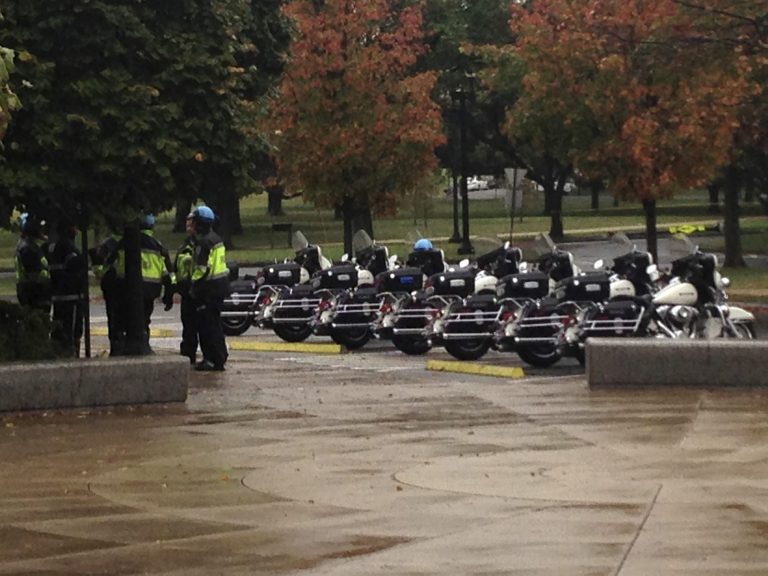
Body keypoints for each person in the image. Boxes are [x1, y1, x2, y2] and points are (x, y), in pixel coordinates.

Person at [190, 206, 229, 371]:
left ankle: (211, 359)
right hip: (220, 287)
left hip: (208, 289)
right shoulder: (217, 239)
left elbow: (201, 268)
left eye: (194, 221)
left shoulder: (204, 242)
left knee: (207, 326)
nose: (192, 224)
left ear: (200, 224)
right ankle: (220, 356)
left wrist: (192, 284)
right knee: (216, 324)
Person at [137, 214, 174, 354]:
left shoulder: (128, 243)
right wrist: (168, 296)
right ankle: (144, 346)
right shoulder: (159, 246)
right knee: (145, 319)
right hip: (150, 291)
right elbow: (168, 275)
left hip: (132, 291)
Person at [47, 219, 85, 357]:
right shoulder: (68, 247)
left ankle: (60, 352)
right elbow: (74, 266)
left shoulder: (53, 247)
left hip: (59, 295)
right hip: (71, 296)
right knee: (72, 329)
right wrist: (89, 258)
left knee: (60, 327)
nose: (77, 230)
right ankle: (70, 354)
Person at [90, 234, 123, 355]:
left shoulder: (111, 266)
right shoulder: (113, 264)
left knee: (115, 324)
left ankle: (117, 349)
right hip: (114, 298)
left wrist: (96, 262)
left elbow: (101, 274)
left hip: (114, 298)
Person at [174, 211, 198, 364]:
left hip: (198, 290)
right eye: (187, 224)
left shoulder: (202, 243)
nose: (188, 227)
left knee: (200, 325)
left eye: (191, 224)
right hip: (187, 290)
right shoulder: (185, 245)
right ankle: (188, 353)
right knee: (188, 325)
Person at [15, 213, 51, 313]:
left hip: (33, 290)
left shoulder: (31, 246)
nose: (43, 231)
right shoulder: (27, 249)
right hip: (33, 292)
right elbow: (33, 274)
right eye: (40, 228)